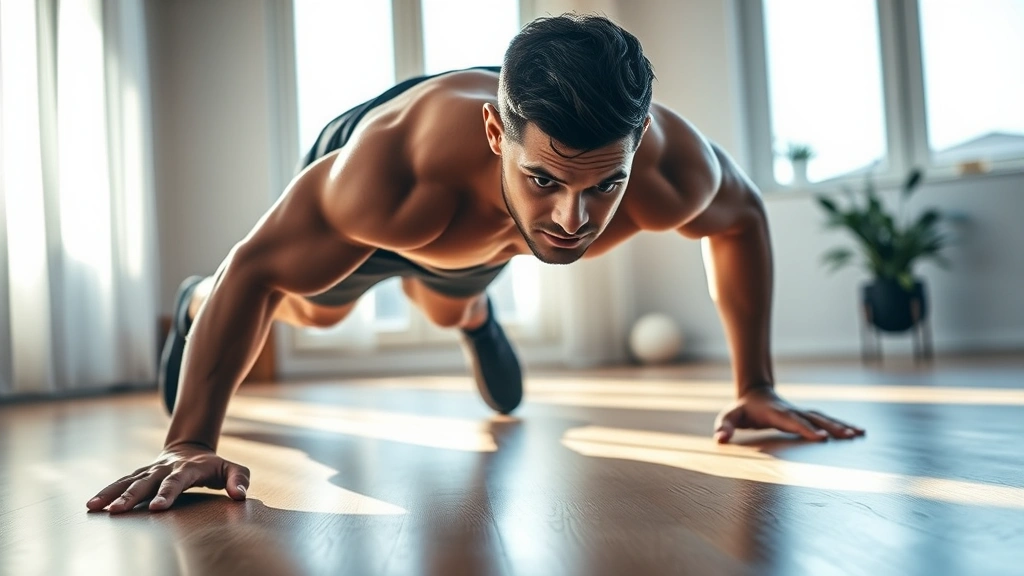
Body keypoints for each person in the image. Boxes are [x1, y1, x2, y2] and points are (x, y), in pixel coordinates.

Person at [87, 14, 864, 515]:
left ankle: (472, 313)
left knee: (452, 297)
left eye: (605, 185)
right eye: (546, 181)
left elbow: (744, 220)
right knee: (316, 310)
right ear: (497, 135)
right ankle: (195, 305)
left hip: (475, 232)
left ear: (635, 148)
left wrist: (755, 385)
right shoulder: (390, 176)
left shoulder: (669, 168)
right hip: (414, 207)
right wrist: (190, 442)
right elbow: (254, 268)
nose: (575, 222)